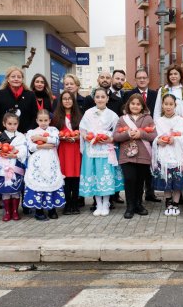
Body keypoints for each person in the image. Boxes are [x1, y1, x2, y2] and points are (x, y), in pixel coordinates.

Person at [79, 87, 124, 216]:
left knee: (105, 175)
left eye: (102, 97)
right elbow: (82, 130)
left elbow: (117, 132)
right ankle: (98, 204)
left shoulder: (112, 115)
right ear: (94, 99)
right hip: (92, 148)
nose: (100, 99)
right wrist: (88, 137)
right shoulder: (88, 113)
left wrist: (108, 138)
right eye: (97, 97)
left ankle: (106, 203)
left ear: (107, 98)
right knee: (95, 175)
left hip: (106, 150)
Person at [113, 93, 157, 219]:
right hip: (126, 155)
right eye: (133, 103)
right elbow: (115, 136)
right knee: (130, 179)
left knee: (140, 181)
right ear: (129, 105)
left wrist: (141, 134)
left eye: (138, 104)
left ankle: (139, 204)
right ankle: (130, 206)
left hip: (144, 155)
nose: (135, 106)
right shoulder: (122, 119)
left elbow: (154, 135)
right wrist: (127, 134)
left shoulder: (148, 119)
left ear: (142, 106)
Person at [123, 68, 159, 202]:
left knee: (149, 163)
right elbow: (125, 112)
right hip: (133, 134)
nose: (142, 80)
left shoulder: (156, 94)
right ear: (135, 80)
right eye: (139, 78)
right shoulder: (129, 94)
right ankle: (136, 197)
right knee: (137, 165)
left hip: (150, 132)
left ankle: (150, 192)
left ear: (148, 80)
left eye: (144, 77)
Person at [152, 93, 183, 216]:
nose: (168, 107)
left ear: (175, 105)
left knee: (177, 181)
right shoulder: (158, 121)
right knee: (166, 181)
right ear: (162, 105)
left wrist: (176, 140)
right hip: (164, 156)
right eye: (166, 104)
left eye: (171, 104)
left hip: (177, 156)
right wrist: (158, 141)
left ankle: (176, 203)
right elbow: (154, 138)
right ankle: (168, 203)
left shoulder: (180, 120)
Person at [23, 109, 65, 220]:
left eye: (45, 120)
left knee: (51, 182)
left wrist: (41, 138)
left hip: (50, 161)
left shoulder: (53, 130)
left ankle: (52, 209)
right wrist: (43, 145)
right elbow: (30, 147)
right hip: (37, 163)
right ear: (37, 120)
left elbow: (55, 141)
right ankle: (39, 210)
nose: (43, 122)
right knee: (38, 183)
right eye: (41, 120)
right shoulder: (31, 132)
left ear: (49, 120)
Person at [0, 112, 27, 221]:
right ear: (4, 123)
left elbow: (24, 150)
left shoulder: (20, 136)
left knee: (15, 190)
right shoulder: (0, 136)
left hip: (15, 165)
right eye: (9, 123)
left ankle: (15, 211)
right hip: (2, 166)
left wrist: (15, 153)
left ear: (18, 124)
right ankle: (7, 212)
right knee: (6, 190)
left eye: (15, 124)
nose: (12, 126)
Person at [54, 87, 82, 215]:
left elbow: (84, 132)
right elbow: (54, 134)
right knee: (65, 176)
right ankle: (67, 204)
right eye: (64, 99)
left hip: (76, 149)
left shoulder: (79, 116)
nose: (67, 101)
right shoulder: (56, 117)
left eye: (69, 99)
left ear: (73, 101)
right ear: (61, 101)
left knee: (76, 177)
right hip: (63, 150)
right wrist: (61, 136)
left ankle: (75, 203)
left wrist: (77, 136)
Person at [0, 66, 38, 135]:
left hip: (25, 135)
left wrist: (29, 131)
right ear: (8, 79)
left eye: (19, 77)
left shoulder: (30, 95)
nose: (16, 79)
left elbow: (35, 116)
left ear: (22, 79)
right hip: (4, 135)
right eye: (13, 77)